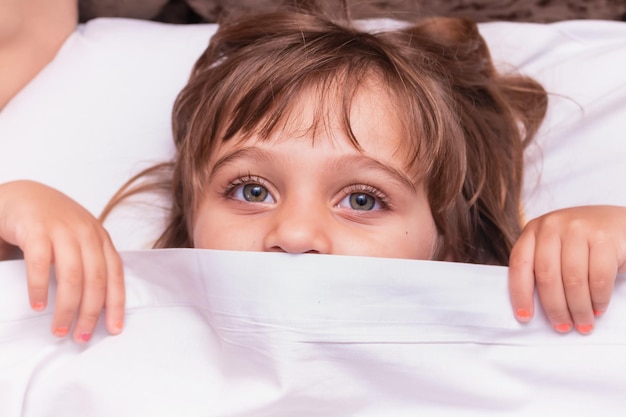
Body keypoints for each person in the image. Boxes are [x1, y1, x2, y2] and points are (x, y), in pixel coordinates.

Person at [1, 1, 625, 343]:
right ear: (191, 218)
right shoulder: (122, 318)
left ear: (449, 243)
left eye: (362, 199)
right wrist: (15, 217)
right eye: (251, 190)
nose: (295, 234)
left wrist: (604, 241)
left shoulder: (510, 329)